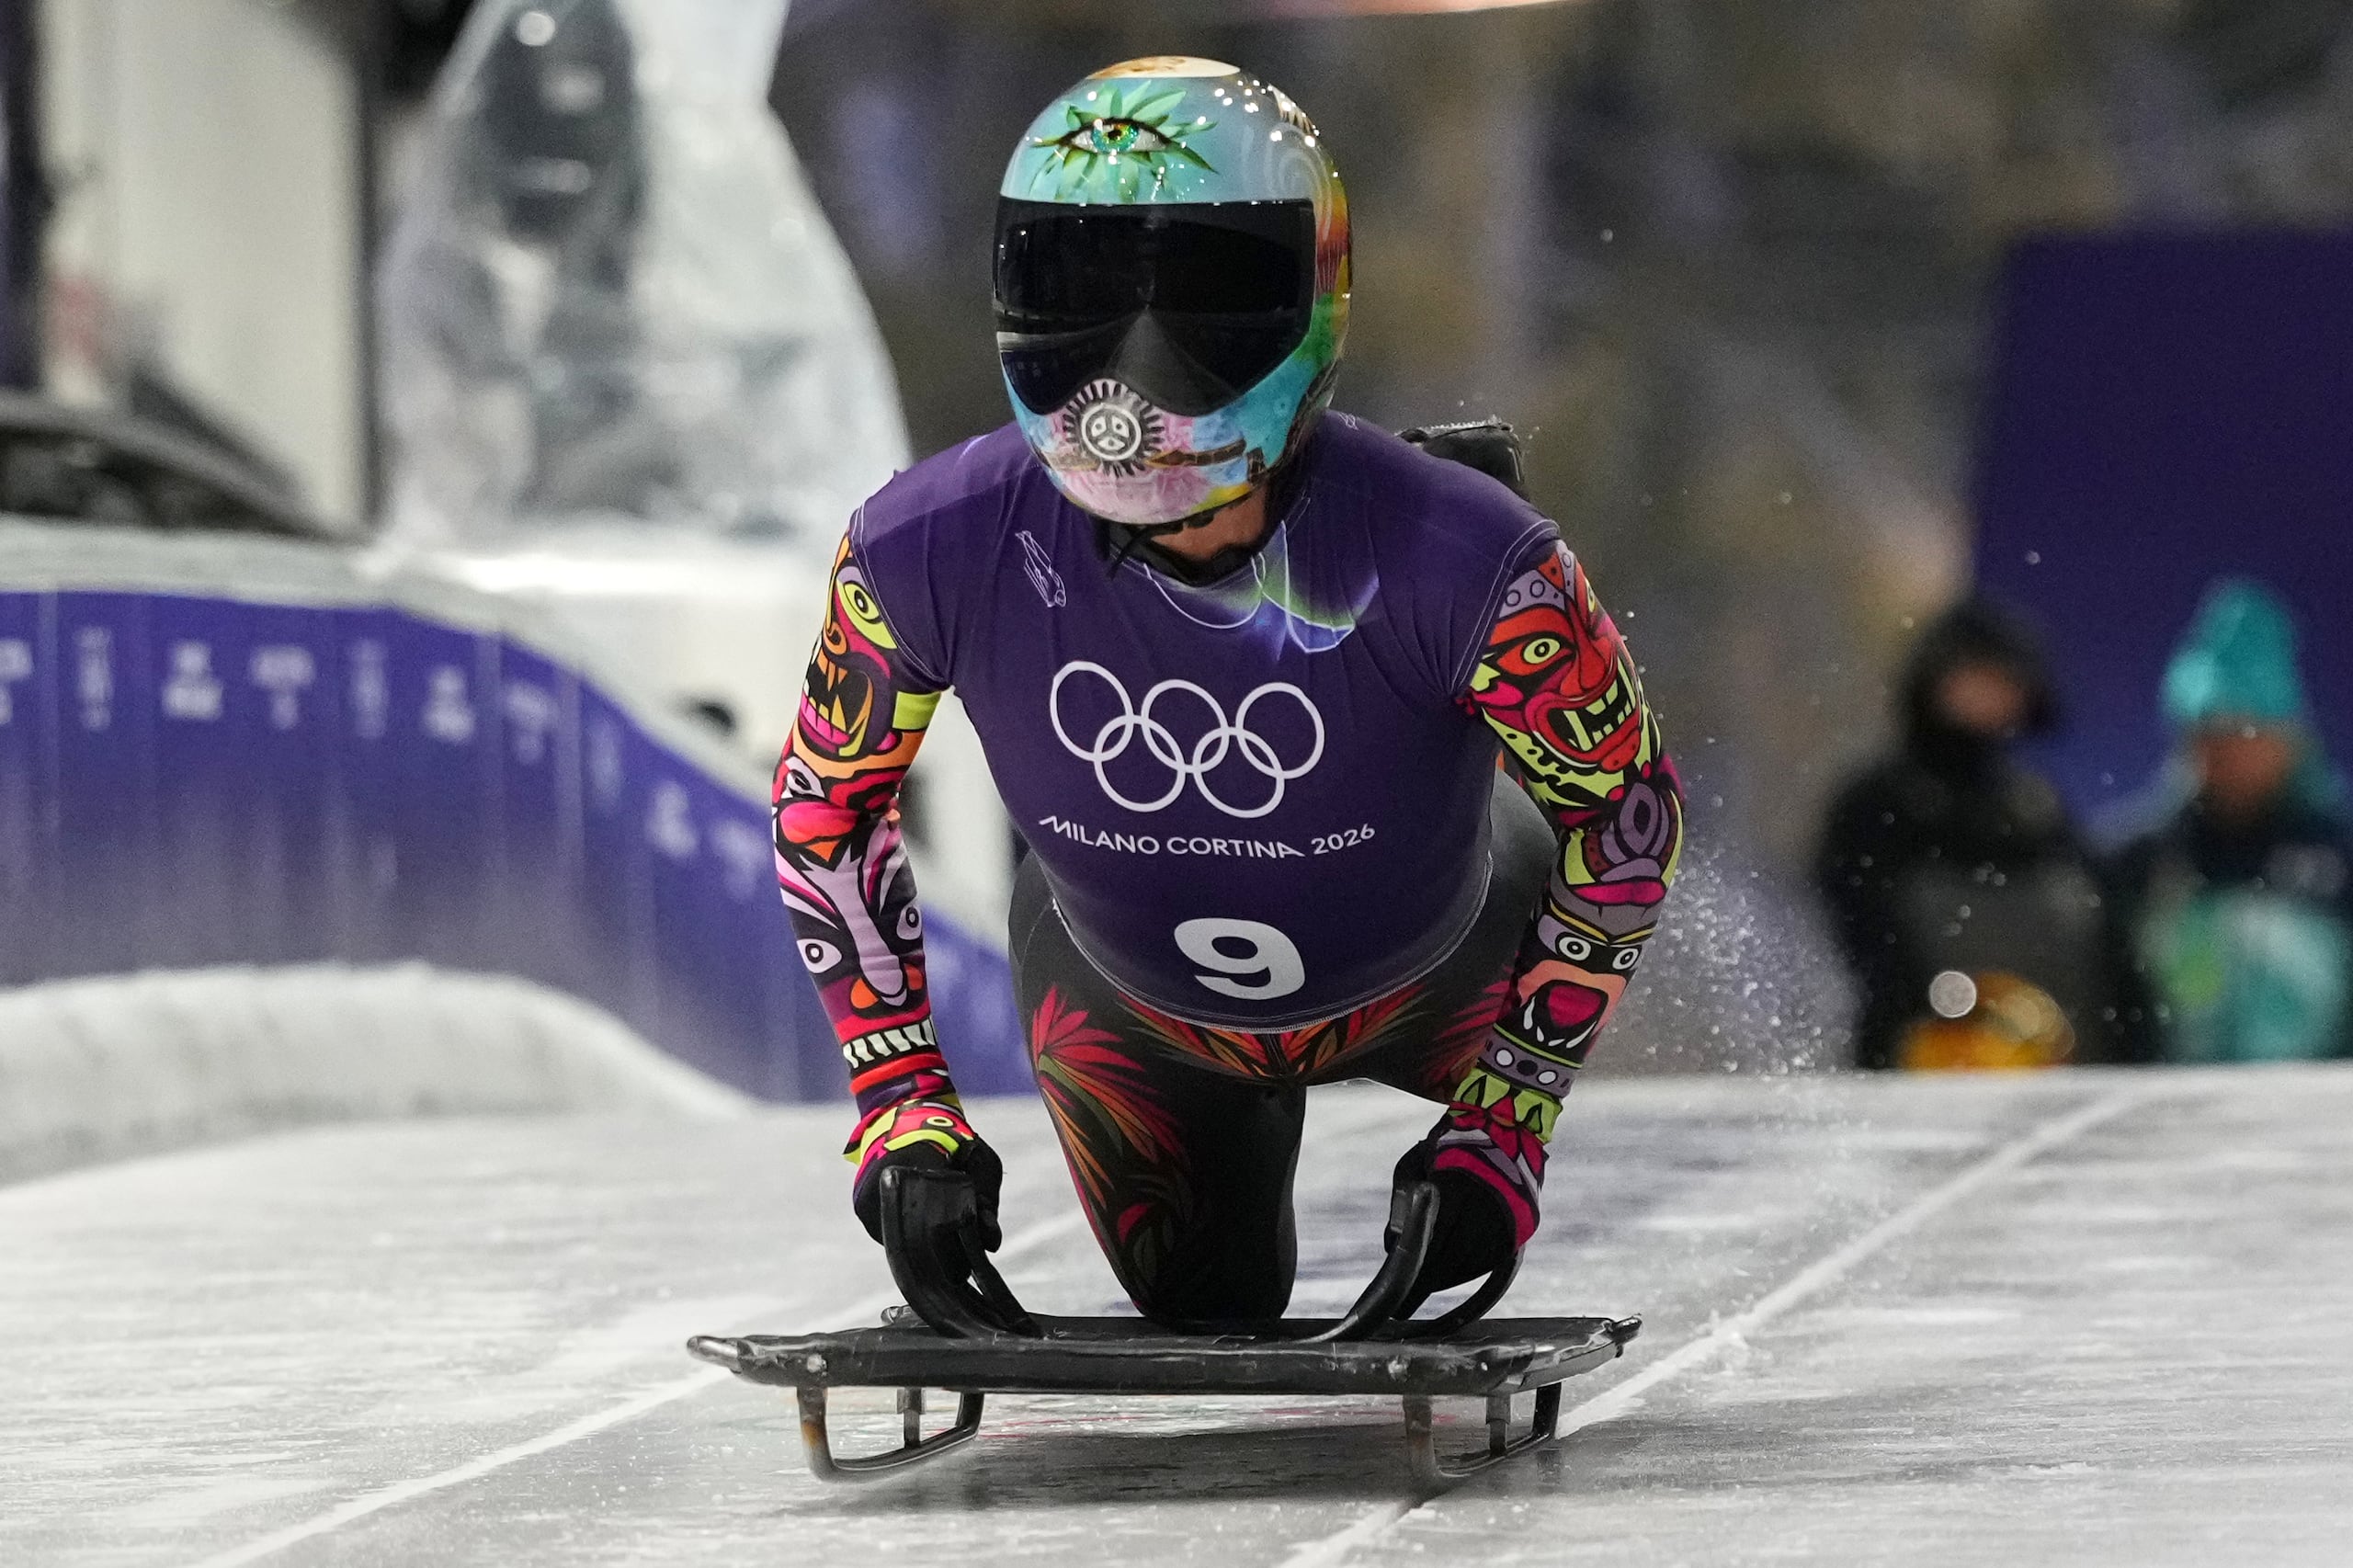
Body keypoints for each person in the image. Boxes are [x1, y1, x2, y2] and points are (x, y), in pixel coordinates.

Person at [767, 58, 1683, 1324]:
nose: (1140, 366)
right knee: (1203, 1302)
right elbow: (825, 813)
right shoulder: (922, 546)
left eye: (1204, 292)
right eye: (1084, 291)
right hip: (1147, 1008)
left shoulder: (1474, 562)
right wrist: (904, 1116)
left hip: (1433, 958)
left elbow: (1623, 822)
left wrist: (1503, 1124)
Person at [1815, 599, 2147, 1070]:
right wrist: (1941, 1011)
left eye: (2002, 680)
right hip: (1924, 1065)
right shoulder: (1880, 802)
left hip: (2052, 1065)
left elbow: (2104, 945)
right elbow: (1861, 932)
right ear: (1933, 679)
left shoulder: (2037, 806)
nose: (1987, 694)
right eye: (1973, 675)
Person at [2106, 581, 2352, 1063]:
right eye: (2211, 736)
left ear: (2290, 741)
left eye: (2248, 734)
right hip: (2168, 1107)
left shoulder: (2341, 853)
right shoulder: (2140, 859)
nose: (2230, 755)